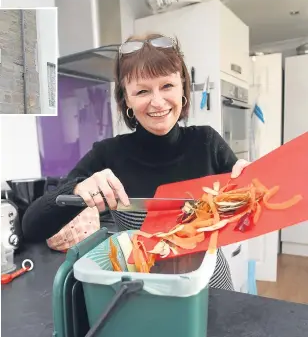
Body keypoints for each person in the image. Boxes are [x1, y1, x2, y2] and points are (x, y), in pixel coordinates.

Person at [22, 33, 249, 290]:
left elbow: (248, 211)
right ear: (126, 99)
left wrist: (250, 185)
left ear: (182, 87)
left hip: (212, 286)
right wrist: (76, 189)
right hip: (142, 292)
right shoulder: (108, 154)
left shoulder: (207, 142)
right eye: (142, 91)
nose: (158, 102)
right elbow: (31, 225)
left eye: (167, 86)